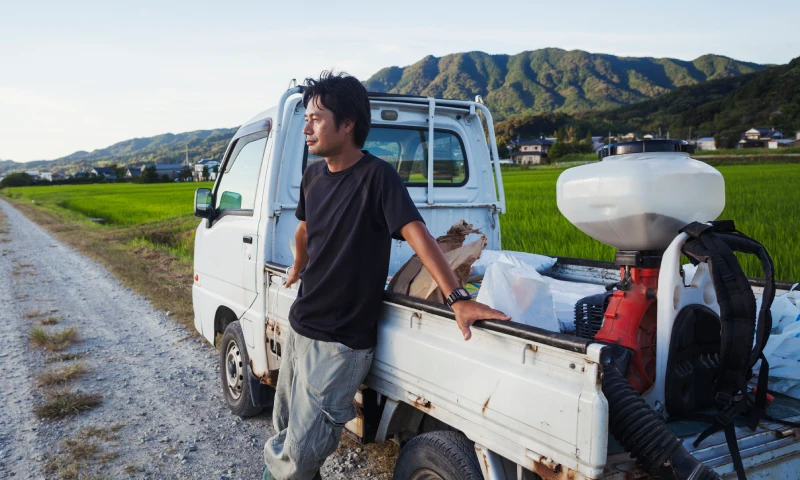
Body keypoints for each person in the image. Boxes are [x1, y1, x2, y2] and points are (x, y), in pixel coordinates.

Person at [262, 71, 510, 480]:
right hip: (301, 327)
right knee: (287, 433)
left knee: (301, 455)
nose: (306, 128)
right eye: (305, 117)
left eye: (317, 118)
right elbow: (304, 229)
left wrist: (458, 298)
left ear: (348, 124)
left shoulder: (377, 178)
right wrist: (297, 264)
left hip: (341, 342)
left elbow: (420, 237)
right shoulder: (313, 177)